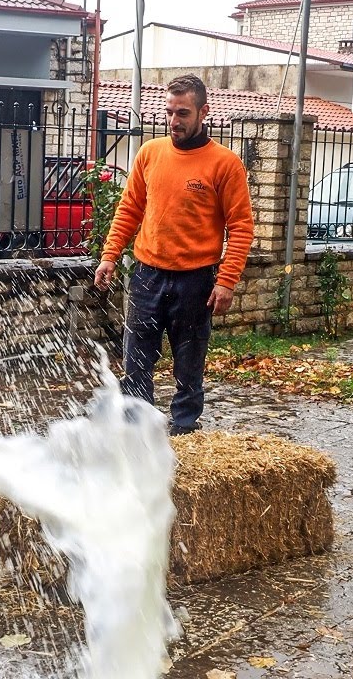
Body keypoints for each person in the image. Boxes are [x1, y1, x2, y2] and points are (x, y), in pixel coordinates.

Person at [93, 74, 254, 435]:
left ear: (203, 112)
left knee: (189, 365)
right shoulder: (150, 153)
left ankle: (184, 430)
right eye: (169, 112)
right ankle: (138, 433)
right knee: (136, 361)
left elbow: (241, 227)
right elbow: (129, 209)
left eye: (183, 113)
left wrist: (226, 281)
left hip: (195, 280)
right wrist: (109, 255)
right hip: (147, 275)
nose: (174, 120)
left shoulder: (224, 163)